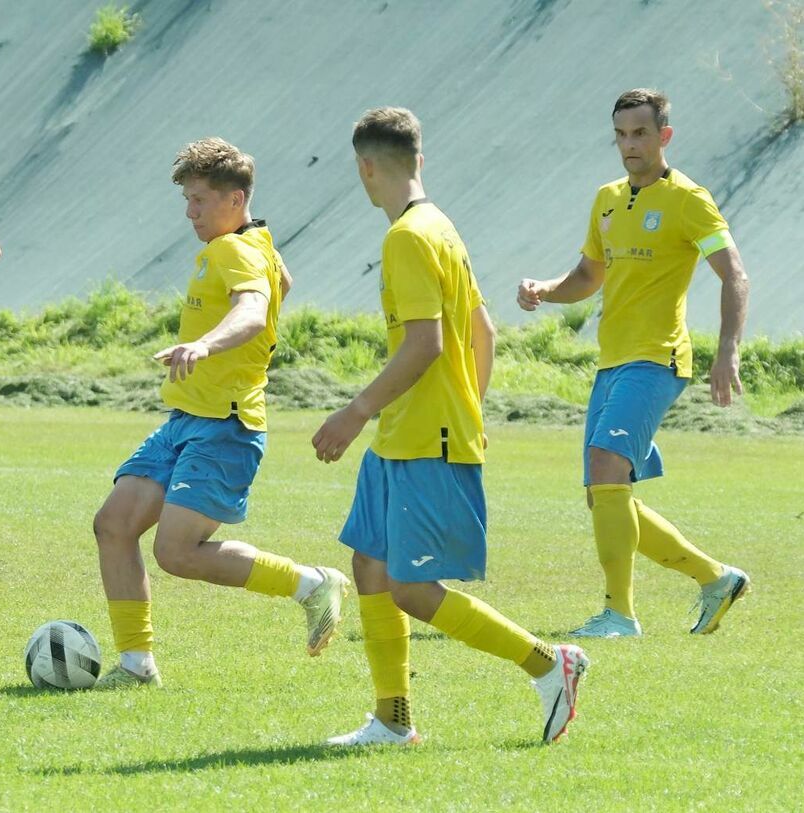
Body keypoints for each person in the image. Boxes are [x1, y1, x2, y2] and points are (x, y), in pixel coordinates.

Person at [317, 108, 587, 746]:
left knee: (409, 587)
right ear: (420, 159)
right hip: (411, 433)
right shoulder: (441, 226)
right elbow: (483, 333)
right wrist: (473, 407)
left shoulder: (407, 238)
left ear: (366, 167)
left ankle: (550, 664)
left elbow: (425, 346)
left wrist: (353, 412)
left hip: (420, 434)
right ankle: (392, 719)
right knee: (370, 566)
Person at [92, 137, 348, 689]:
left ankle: (312, 583)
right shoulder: (258, 241)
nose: (190, 213)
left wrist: (206, 346)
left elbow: (254, 311)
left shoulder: (232, 250)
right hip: (184, 420)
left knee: (177, 553)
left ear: (235, 199)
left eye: (200, 200)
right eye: (187, 200)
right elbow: (281, 284)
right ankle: (136, 667)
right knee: (114, 525)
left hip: (225, 427)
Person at [518, 88, 751, 638]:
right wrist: (542, 290)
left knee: (605, 471)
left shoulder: (689, 199)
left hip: (658, 359)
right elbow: (587, 277)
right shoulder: (606, 198)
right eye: (621, 135)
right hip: (612, 362)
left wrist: (727, 351)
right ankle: (715, 578)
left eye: (641, 134)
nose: (630, 145)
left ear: (663, 136)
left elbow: (734, 274)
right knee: (604, 496)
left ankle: (619, 615)